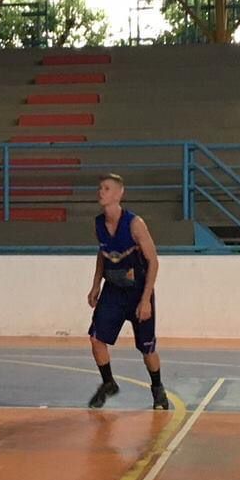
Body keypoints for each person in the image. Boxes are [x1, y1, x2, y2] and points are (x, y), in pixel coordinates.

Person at [85, 174, 169, 411]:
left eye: (107, 188)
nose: (101, 192)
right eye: (100, 187)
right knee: (96, 338)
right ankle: (108, 382)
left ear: (119, 193)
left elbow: (153, 261)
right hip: (113, 290)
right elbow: (103, 254)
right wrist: (96, 284)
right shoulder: (99, 224)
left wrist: (145, 300)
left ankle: (157, 388)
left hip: (137, 292)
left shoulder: (135, 224)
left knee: (146, 348)